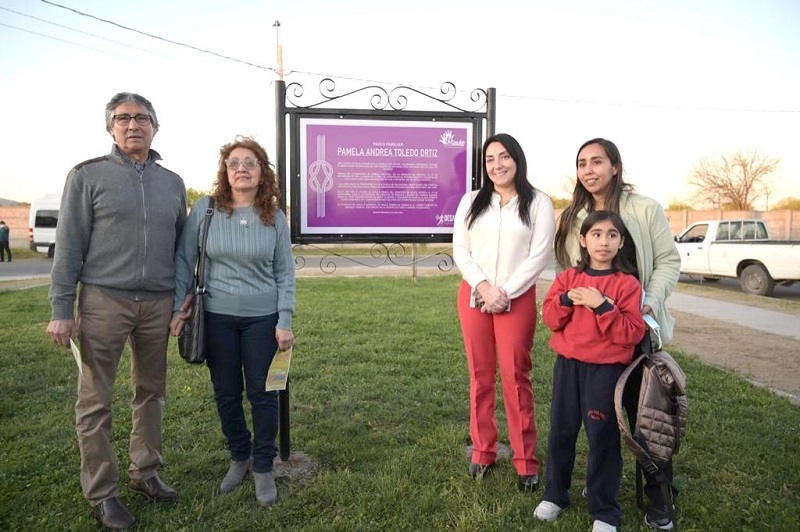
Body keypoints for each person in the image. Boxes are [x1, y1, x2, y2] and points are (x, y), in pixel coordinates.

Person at [46, 92, 187, 530]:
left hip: (158, 302)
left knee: (151, 392)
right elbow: (68, 244)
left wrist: (182, 300)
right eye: (123, 118)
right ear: (110, 127)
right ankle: (103, 493)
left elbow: (180, 248)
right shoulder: (87, 176)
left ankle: (145, 473)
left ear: (155, 127)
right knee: (95, 401)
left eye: (142, 118)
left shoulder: (172, 182)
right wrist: (61, 306)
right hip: (104, 300)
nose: (133, 125)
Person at [552, 138, 682, 530]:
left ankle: (660, 498)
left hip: (634, 327)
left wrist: (649, 302)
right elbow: (572, 271)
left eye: (597, 162)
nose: (589, 170)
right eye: (582, 163)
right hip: (590, 342)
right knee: (598, 420)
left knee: (645, 416)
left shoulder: (644, 209)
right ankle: (592, 487)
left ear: (615, 166)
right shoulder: (577, 216)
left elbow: (668, 260)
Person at [170, 136, 295, 508]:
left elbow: (285, 272)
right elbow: (183, 260)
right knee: (226, 392)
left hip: (263, 319)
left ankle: (262, 466)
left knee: (264, 394)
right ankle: (239, 455)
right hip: (216, 317)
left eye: (250, 163)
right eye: (234, 162)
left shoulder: (275, 217)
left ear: (262, 173)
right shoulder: (205, 210)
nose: (242, 168)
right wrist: (179, 307)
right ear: (225, 172)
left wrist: (285, 319)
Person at [452, 133, 555, 492]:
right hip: (475, 295)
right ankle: (483, 450)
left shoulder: (539, 203)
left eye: (504, 157)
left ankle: (526, 460)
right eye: (490, 159)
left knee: (516, 376)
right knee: (480, 377)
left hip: (517, 297)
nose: (497, 165)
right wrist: (483, 287)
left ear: (517, 159)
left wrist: (505, 293)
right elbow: (460, 250)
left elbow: (539, 255)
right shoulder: (471, 202)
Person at [536, 210, 646, 532]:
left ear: (621, 242)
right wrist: (569, 299)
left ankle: (604, 509)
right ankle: (555, 494)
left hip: (605, 372)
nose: (604, 241)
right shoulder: (568, 278)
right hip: (568, 368)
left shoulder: (627, 285)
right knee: (561, 431)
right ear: (583, 240)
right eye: (596, 234)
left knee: (603, 437)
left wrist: (602, 305)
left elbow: (631, 333)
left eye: (612, 235)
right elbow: (550, 317)